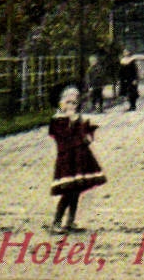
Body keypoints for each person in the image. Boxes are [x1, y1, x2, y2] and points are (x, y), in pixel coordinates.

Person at [48, 86, 106, 234]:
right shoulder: (57, 121)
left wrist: (89, 131)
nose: (71, 106)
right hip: (67, 159)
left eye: (74, 103)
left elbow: (85, 134)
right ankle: (57, 221)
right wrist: (75, 125)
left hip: (80, 158)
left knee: (76, 191)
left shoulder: (76, 119)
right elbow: (66, 137)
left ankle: (70, 221)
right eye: (68, 103)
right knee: (68, 191)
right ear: (61, 104)